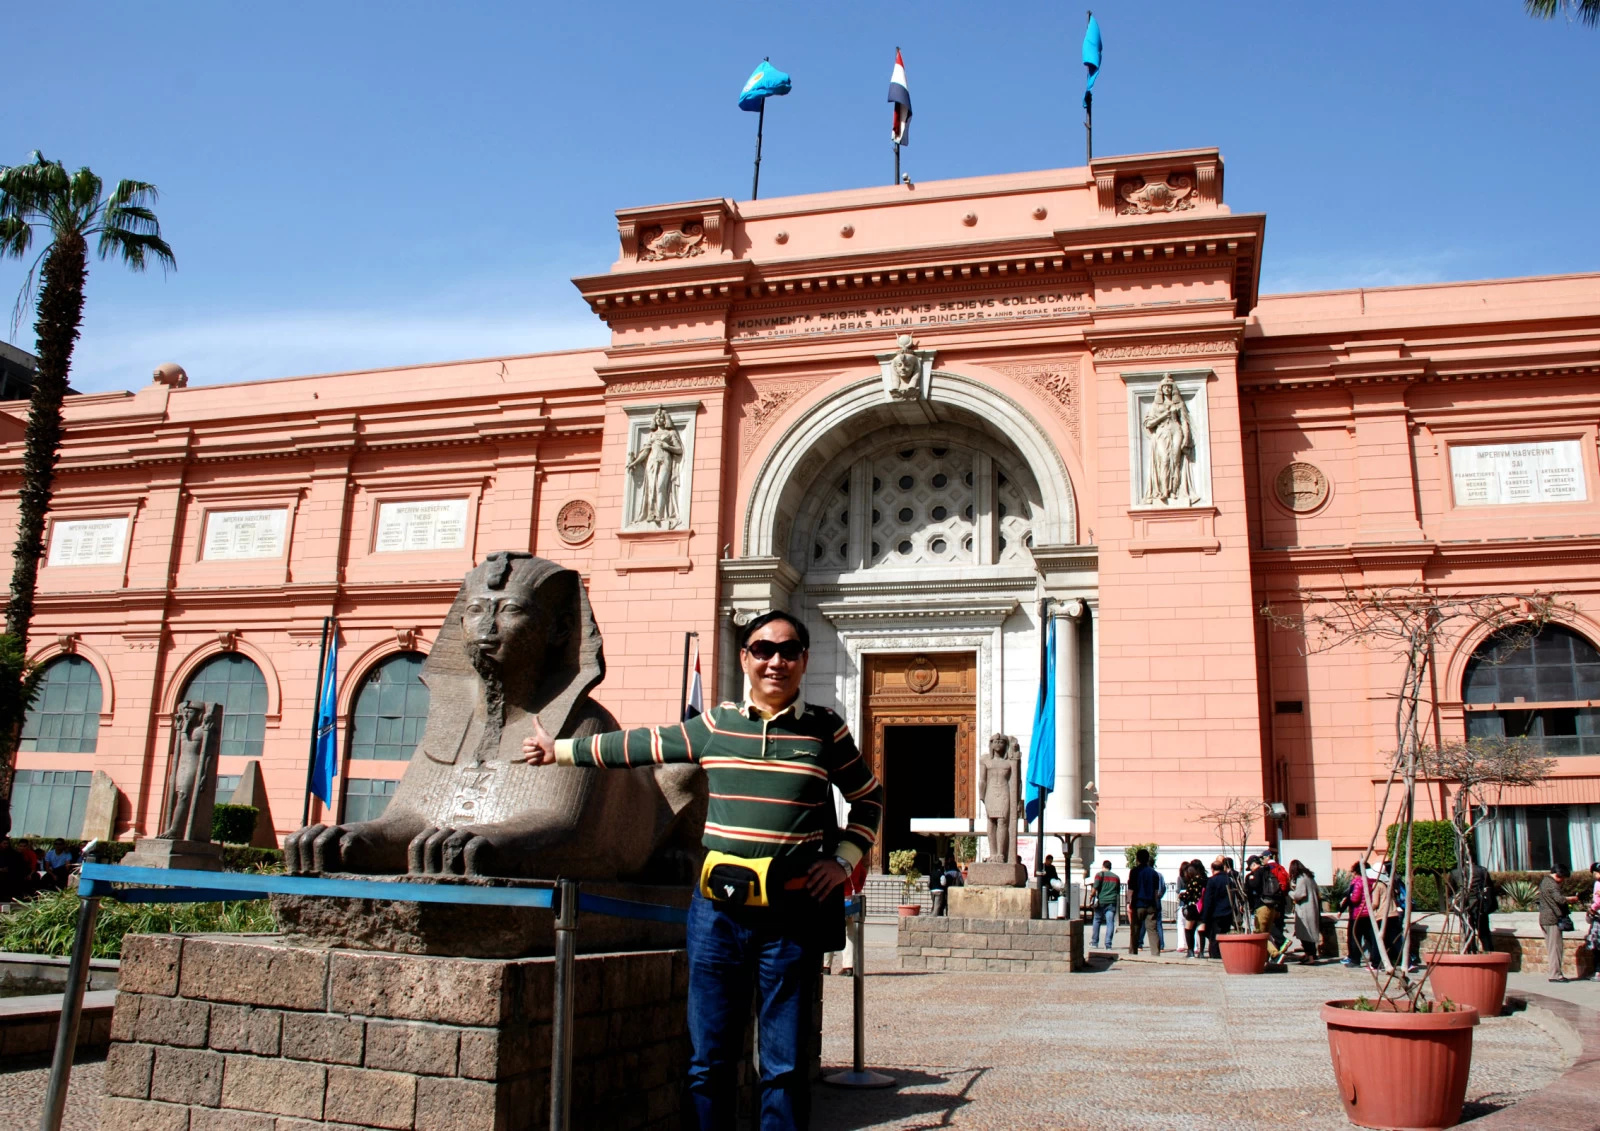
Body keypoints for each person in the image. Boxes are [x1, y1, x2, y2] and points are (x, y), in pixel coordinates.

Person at [523, 609, 883, 1131]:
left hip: (790, 919)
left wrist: (843, 860)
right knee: (706, 1062)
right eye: (762, 649)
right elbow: (642, 745)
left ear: (804, 660)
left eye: (787, 651)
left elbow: (868, 799)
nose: (775, 661)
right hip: (716, 917)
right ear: (745, 658)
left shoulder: (824, 729)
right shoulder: (717, 724)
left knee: (782, 1067)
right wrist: (558, 750)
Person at [1538, 863, 1581, 983]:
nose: (1562, 881)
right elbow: (1560, 899)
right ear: (1558, 875)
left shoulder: (1544, 882)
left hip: (1546, 919)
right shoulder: (1552, 884)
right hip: (1552, 919)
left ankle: (1555, 973)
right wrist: (1571, 899)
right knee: (1556, 948)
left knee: (1553, 948)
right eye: (1562, 878)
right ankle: (1555, 974)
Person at [1127, 848, 1162, 956]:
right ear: (1148, 859)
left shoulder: (1134, 872)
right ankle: (1155, 953)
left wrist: (1128, 902)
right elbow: (1156, 892)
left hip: (1138, 904)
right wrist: (1156, 904)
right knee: (1152, 930)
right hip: (1151, 904)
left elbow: (1131, 889)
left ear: (1137, 859)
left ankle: (1133, 952)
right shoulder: (1154, 873)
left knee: (1135, 930)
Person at [1341, 861, 1376, 969]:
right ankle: (1375, 959)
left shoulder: (1358, 882)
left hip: (1358, 914)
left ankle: (1355, 960)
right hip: (1369, 914)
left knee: (1355, 937)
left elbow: (1355, 899)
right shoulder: (1372, 881)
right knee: (1371, 938)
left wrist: (1348, 900)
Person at [1288, 860, 1321, 965]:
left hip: (1305, 910)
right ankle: (1308, 955)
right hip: (1312, 908)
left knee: (1306, 934)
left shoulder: (1301, 878)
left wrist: (1290, 893)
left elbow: (1300, 894)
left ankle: (1310, 957)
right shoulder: (1310, 877)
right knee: (1310, 933)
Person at [1203, 859, 1234, 957]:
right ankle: (1224, 954)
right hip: (1228, 912)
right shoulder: (1229, 880)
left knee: (1215, 937)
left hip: (1215, 914)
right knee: (1224, 935)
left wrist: (1205, 916)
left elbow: (1208, 900)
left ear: (1212, 869)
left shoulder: (1212, 881)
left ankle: (1215, 956)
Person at [1089, 860, 1121, 949]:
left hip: (1101, 902)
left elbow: (1095, 888)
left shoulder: (1099, 875)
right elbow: (1118, 891)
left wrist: (1091, 896)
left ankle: (1095, 942)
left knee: (1097, 921)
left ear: (1103, 866)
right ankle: (1108, 944)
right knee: (1110, 922)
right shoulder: (1116, 877)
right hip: (1111, 902)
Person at [1179, 860, 1206, 958]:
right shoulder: (1205, 879)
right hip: (1203, 907)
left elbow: (1188, 895)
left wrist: (1181, 896)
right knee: (1201, 929)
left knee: (1188, 929)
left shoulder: (1193, 882)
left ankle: (1190, 951)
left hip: (1193, 907)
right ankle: (1202, 952)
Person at [1585, 862, 1600, 980]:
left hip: (1598, 917)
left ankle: (1598, 972)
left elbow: (1598, 901)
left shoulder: (1598, 884)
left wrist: (1592, 909)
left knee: (1597, 945)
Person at [1040, 854, 1063, 919]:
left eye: (1051, 861)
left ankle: (1055, 908)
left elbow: (1055, 876)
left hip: (1052, 884)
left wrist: (1058, 881)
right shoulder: (1042, 866)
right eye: (1049, 861)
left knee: (1057, 893)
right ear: (1046, 860)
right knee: (1046, 893)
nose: (1050, 862)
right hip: (1045, 884)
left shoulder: (1052, 867)